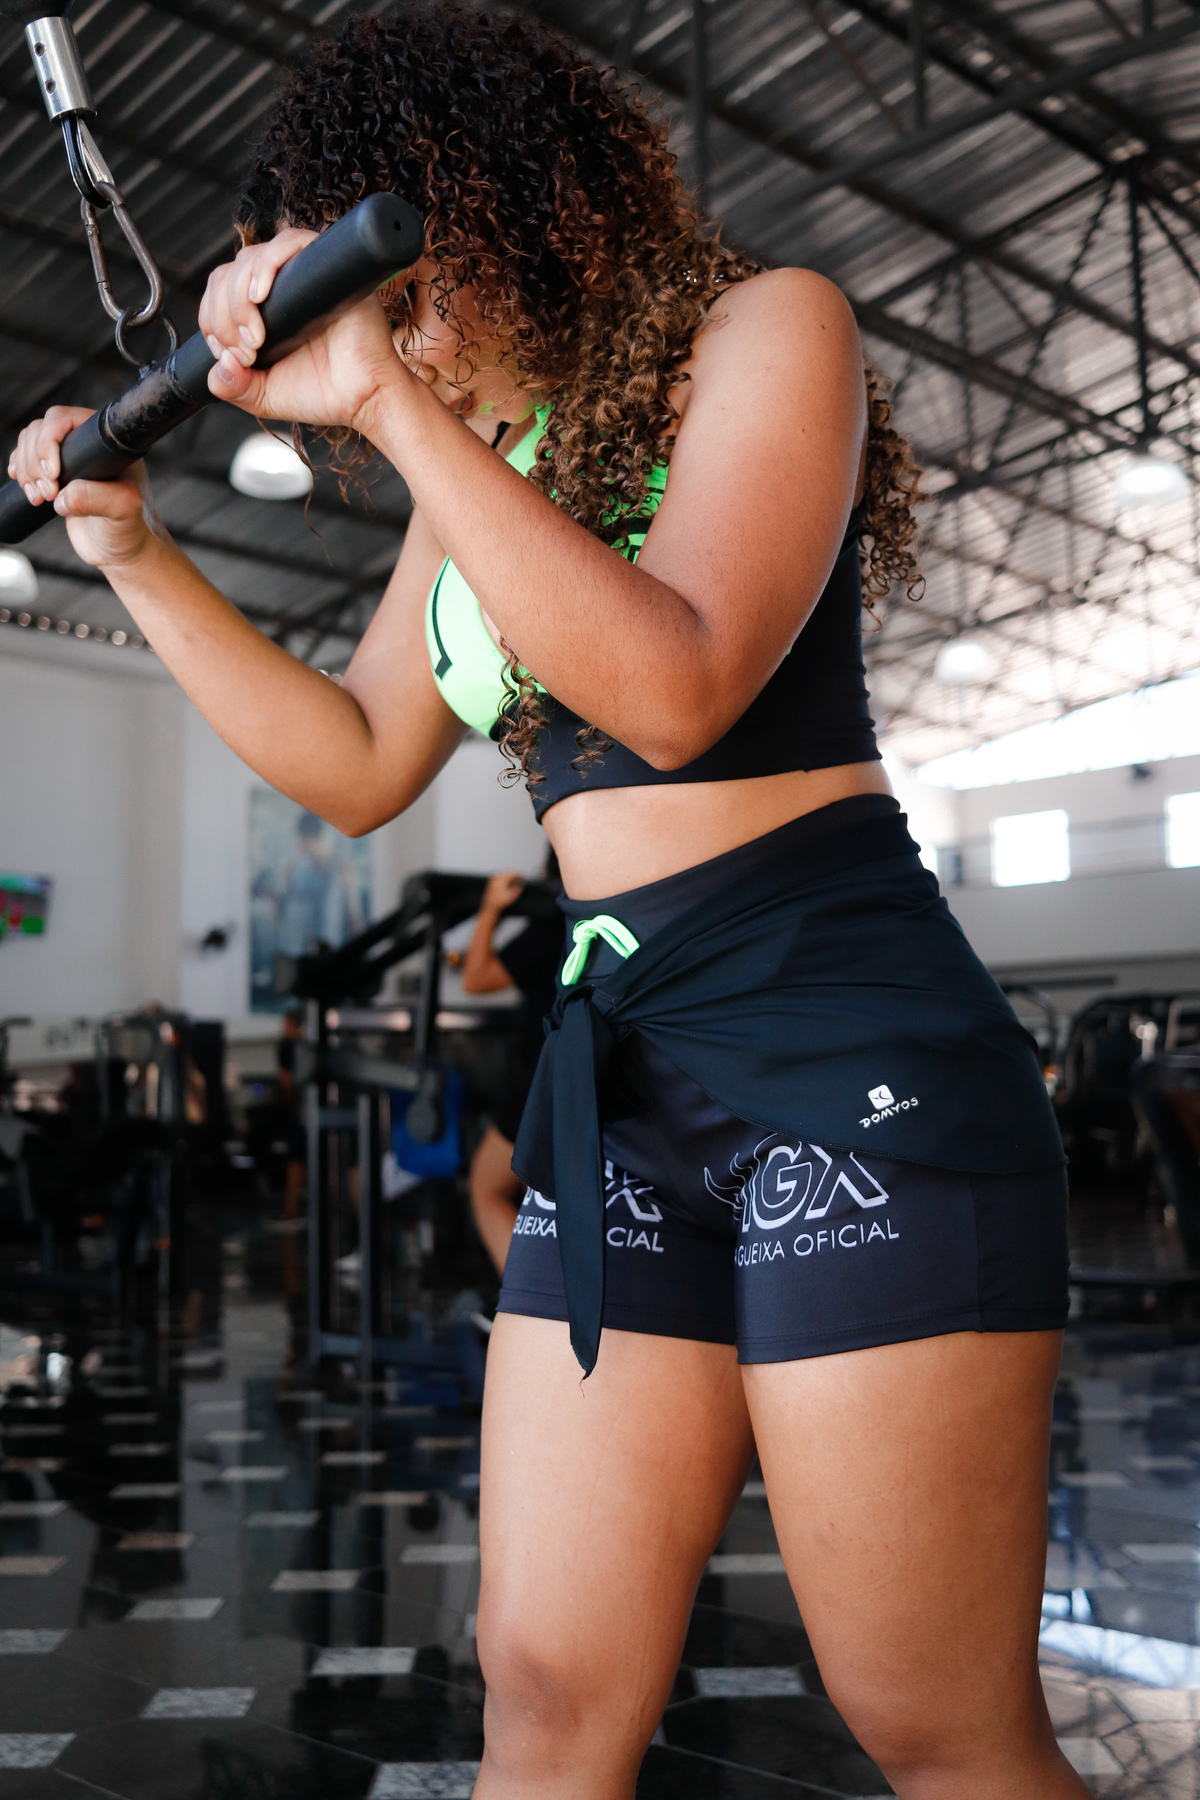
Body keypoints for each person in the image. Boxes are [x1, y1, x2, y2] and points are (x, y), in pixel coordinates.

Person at [9, 8, 1083, 1794]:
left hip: (849, 1047)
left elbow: (677, 685)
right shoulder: (485, 456)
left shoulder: (771, 328)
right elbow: (362, 757)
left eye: (399, 274)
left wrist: (390, 402)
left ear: (502, 205)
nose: (396, 328)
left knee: (934, 1723)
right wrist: (134, 551)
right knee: (546, 1692)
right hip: (626, 1074)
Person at [459, 861, 563, 1275]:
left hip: (546, 1080)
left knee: (488, 1188)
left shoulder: (555, 924)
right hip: (612, 1079)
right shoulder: (635, 915)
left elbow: (476, 978)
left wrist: (491, 908)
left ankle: (526, 1300)